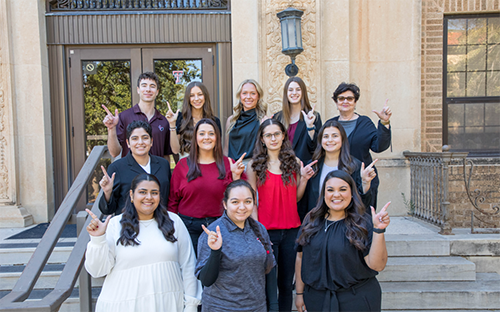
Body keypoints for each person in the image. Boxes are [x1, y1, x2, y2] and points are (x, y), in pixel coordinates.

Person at [85, 173, 201, 312]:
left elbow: (188, 266)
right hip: (123, 305)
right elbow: (97, 271)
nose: (149, 197)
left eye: (154, 193)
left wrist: (191, 306)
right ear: (132, 195)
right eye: (142, 192)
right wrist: (98, 239)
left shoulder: (174, 222)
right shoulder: (115, 225)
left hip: (167, 305)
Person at [295, 170, 391, 312]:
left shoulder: (362, 222)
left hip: (357, 299)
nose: (336, 194)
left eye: (343, 189)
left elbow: (377, 265)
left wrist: (378, 230)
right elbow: (300, 256)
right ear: (324, 194)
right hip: (317, 299)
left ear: (352, 193)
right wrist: (299, 293)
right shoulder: (311, 219)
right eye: (330, 190)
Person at [246, 119, 316, 312]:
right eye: (268, 135)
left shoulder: (293, 163)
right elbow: (251, 202)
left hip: (291, 232)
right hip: (266, 233)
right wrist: (257, 232)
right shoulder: (254, 166)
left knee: (285, 285)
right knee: (268, 285)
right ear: (262, 139)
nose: (273, 138)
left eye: (277, 133)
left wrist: (304, 180)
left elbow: (295, 198)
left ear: (283, 135)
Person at [195, 179, 276, 312]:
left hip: (257, 307)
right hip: (221, 308)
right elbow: (206, 280)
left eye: (248, 201)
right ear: (225, 204)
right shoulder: (213, 232)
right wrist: (215, 251)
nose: (242, 207)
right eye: (235, 202)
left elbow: (269, 270)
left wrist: (274, 306)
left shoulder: (259, 229)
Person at [168, 118, 246, 253]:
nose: (206, 137)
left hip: (222, 226)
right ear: (195, 138)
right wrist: (171, 229)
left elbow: (240, 198)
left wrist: (236, 177)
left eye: (211, 133)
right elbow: (172, 201)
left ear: (217, 137)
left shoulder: (229, 164)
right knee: (194, 271)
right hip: (189, 227)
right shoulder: (182, 166)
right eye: (202, 133)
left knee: (221, 270)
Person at [327, 82, 392, 209]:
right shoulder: (330, 124)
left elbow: (378, 146)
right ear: (336, 102)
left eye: (350, 98)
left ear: (355, 102)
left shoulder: (365, 122)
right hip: (338, 181)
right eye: (341, 98)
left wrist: (385, 122)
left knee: (362, 220)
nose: (345, 101)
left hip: (363, 180)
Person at [303, 120, 377, 218]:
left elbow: (363, 203)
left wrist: (365, 182)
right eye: (326, 136)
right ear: (320, 140)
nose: (330, 140)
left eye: (335, 136)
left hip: (347, 223)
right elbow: (305, 201)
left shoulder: (355, 166)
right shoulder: (312, 166)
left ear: (342, 139)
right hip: (318, 223)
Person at [99, 120, 171, 215]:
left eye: (145, 138)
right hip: (129, 225)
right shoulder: (116, 168)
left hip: (160, 222)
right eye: (135, 138)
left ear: (151, 141)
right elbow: (107, 210)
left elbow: (169, 197)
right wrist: (107, 193)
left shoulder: (163, 164)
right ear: (128, 143)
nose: (140, 142)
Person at [102, 71, 180, 158]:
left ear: (157, 92)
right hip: (131, 171)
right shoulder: (124, 117)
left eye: (152, 86)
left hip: (156, 171)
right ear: (138, 90)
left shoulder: (164, 121)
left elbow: (167, 155)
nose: (148, 89)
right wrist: (111, 128)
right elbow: (114, 153)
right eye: (144, 85)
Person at [273, 76, 322, 164]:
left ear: (303, 92)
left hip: (304, 169)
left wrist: (310, 127)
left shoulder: (314, 117)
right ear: (286, 93)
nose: (294, 93)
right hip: (281, 168)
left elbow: (316, 148)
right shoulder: (277, 117)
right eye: (290, 90)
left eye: (298, 89)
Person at [224, 79, 269, 165]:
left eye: (253, 93)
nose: (248, 97)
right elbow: (226, 150)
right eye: (244, 93)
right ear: (240, 96)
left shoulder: (263, 120)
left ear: (258, 96)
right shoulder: (231, 120)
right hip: (232, 168)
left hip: (253, 168)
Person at [173, 81, 222, 159]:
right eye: (192, 95)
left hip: (208, 163)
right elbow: (175, 150)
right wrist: (171, 124)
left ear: (205, 96)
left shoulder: (215, 121)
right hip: (186, 165)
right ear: (188, 98)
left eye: (200, 94)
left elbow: (217, 149)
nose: (196, 98)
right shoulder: (181, 118)